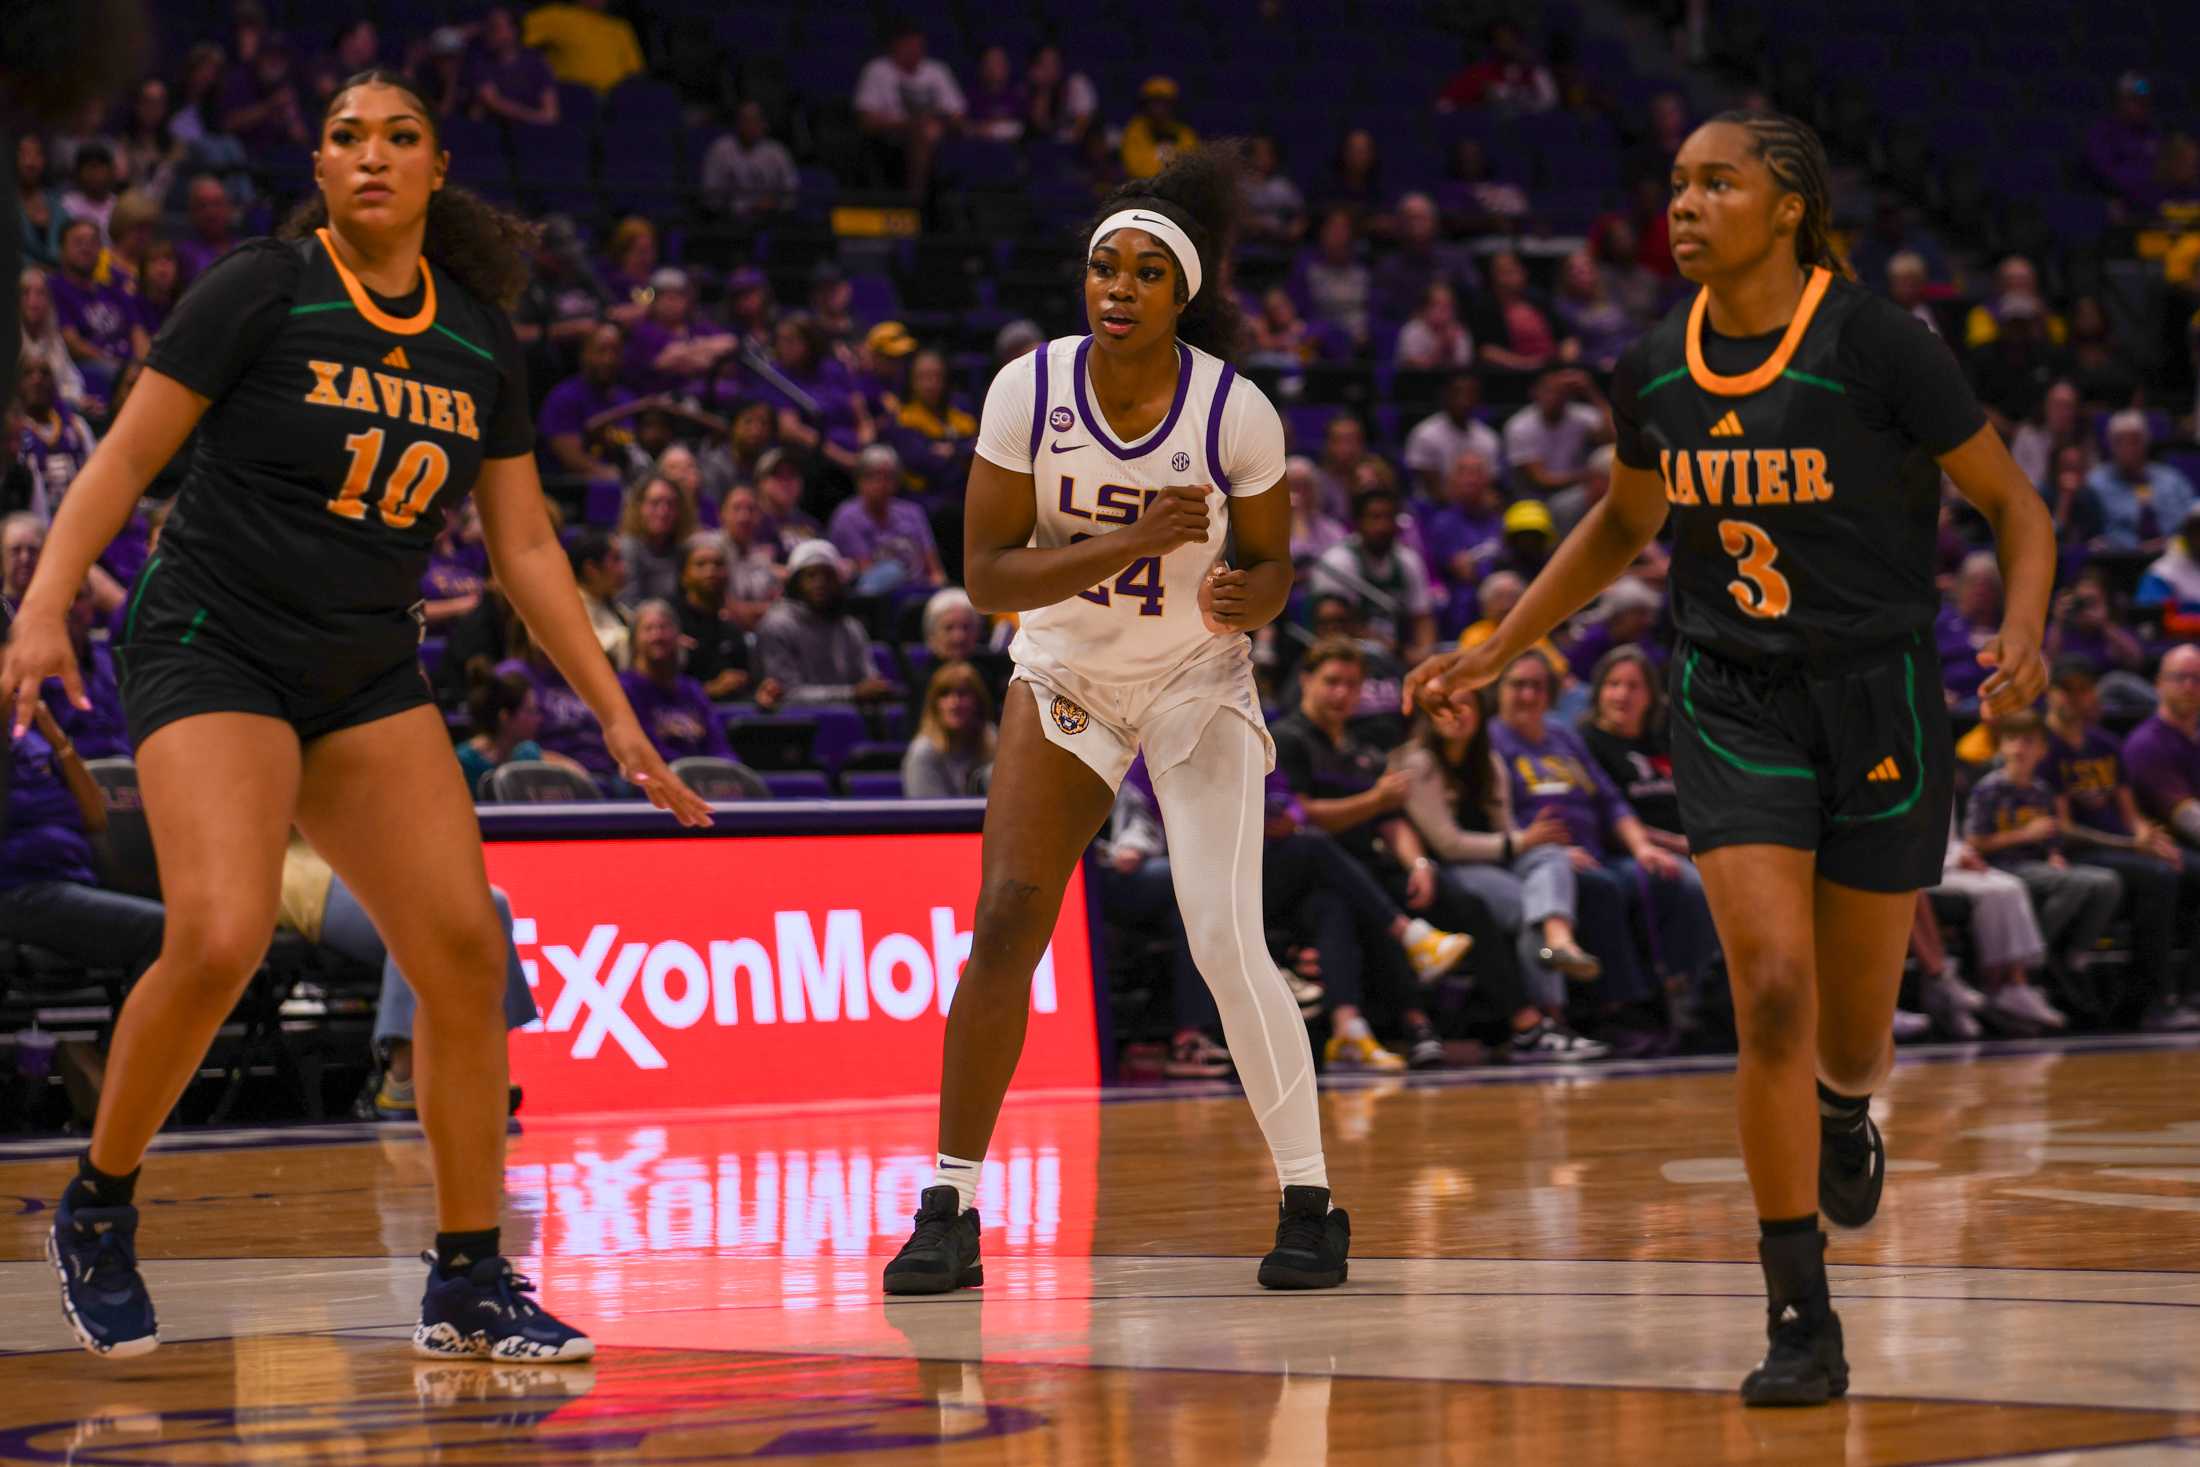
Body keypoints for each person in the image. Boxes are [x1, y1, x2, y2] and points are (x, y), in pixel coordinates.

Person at [0, 69, 709, 1364]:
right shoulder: (264, 285)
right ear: (320, 171)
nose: (370, 155)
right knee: (217, 933)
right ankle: (99, 1203)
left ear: (437, 171)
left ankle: (467, 1278)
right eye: (344, 138)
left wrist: (614, 714)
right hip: (214, 640)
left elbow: (530, 549)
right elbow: (121, 457)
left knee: (462, 953)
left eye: (399, 138)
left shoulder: (481, 339)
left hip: (364, 668)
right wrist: (43, 607)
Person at [1404, 110, 2055, 1405]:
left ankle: (1844, 1108)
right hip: (1732, 696)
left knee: (1855, 1032)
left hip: (1879, 698)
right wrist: (1494, 642)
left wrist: (2024, 630)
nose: (1686, 205)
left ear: (1792, 208)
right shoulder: (1652, 367)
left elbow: (2015, 506)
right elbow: (1622, 520)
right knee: (1768, 986)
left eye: (1719, 183)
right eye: (1679, 185)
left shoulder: (1879, 347)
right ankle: (1800, 1310)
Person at [888, 146, 1357, 1300]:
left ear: (1181, 293)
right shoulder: (1026, 389)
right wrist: (1130, 543)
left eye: (1148, 271)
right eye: (1106, 265)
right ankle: (949, 1203)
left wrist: (1260, 594)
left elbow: (1271, 565)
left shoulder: (1234, 410)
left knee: (1220, 935)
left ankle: (1309, 1199)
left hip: (1195, 676)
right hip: (1066, 675)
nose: (1120, 286)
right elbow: (989, 579)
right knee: (1004, 919)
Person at [1391, 693, 1612, 1059]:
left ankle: (1559, 942)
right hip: (1445, 870)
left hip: (1493, 864)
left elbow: (1505, 828)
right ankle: (1548, 1021)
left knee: (1553, 856)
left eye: (1466, 705)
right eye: (1446, 705)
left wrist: (1534, 845)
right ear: (1430, 715)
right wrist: (1522, 841)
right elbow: (1448, 845)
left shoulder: (1489, 762)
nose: (1456, 713)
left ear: (1481, 714)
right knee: (1532, 906)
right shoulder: (1418, 763)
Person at [2041, 656, 2192, 1029]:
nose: (2079, 698)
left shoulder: (2104, 743)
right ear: (2051, 696)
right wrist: (2131, 847)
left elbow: (2130, 814)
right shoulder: (2046, 748)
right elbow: (2063, 828)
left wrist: (2149, 838)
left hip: (2121, 848)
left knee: (2181, 866)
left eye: (2086, 689)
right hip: (2080, 851)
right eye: (2070, 690)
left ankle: (2188, 991)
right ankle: (2151, 999)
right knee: (2159, 877)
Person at [1963, 713, 2116, 1030]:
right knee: (2074, 886)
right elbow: (1974, 843)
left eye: (2028, 741)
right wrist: (2023, 835)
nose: (2020, 748)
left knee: (2107, 882)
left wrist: (2055, 855)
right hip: (2002, 867)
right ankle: (2035, 961)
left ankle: (2076, 955)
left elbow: (2051, 840)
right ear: (2001, 747)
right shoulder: (1989, 789)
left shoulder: (2041, 790)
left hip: (2039, 868)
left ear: (2042, 751)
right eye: (2013, 740)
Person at [754, 538, 890, 705]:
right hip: (798, 723)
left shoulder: (851, 627)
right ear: (796, 583)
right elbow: (786, 692)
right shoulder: (777, 625)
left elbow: (868, 679)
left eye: (827, 575)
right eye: (811, 575)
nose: (820, 583)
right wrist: (852, 694)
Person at [1308, 486, 1435, 664]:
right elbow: (1333, 625)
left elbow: (1422, 617)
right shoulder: (1337, 561)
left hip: (1395, 657)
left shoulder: (1408, 560)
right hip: (1346, 654)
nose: (1383, 526)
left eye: (1388, 517)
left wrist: (1424, 654)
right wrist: (1386, 646)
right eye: (1375, 517)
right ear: (1358, 522)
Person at [853, 22, 965, 195]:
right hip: (892, 138)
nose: (915, 50)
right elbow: (866, 121)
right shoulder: (877, 71)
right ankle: (916, 201)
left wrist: (938, 123)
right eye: (909, 45)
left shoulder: (937, 70)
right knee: (922, 134)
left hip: (938, 133)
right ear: (895, 46)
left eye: (918, 45)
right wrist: (910, 124)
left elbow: (957, 114)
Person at [619, 599, 731, 763]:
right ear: (634, 640)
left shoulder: (691, 689)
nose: (657, 636)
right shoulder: (625, 688)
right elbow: (644, 748)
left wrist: (729, 768)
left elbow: (718, 744)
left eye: (664, 627)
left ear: (678, 636)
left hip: (702, 780)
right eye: (648, 629)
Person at [828, 443, 945, 594]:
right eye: (875, 476)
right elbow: (867, 573)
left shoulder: (912, 512)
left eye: (889, 476)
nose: (883, 483)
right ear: (860, 480)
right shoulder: (847, 517)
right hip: (878, 596)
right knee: (892, 571)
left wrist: (937, 586)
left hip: (919, 591)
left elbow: (935, 570)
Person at [2085, 409, 2194, 556]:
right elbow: (2091, 534)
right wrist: (2136, 547)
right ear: (2110, 444)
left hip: (2172, 558)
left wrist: (2171, 543)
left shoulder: (2172, 480)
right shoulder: (2096, 483)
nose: (2128, 447)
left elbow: (2192, 521)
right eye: (2120, 441)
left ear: (2146, 440)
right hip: (2119, 561)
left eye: (2135, 440)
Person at [1502, 368, 1609, 499]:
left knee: (1606, 456)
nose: (1554, 396)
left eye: (1560, 392)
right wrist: (1586, 476)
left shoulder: (1581, 415)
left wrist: (1591, 392)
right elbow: (1541, 480)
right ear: (1535, 392)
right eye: (1548, 390)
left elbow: (1613, 436)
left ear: (1569, 395)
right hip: (1535, 496)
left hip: (1578, 490)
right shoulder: (1520, 426)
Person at [14, 354, 98, 517]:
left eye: (45, 373)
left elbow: (96, 473)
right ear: (18, 385)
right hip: (30, 522)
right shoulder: (12, 432)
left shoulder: (77, 426)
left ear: (54, 383)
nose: (37, 379)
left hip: (78, 514)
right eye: (28, 373)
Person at [903, 659, 996, 797]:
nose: (954, 703)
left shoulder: (993, 740)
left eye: (963, 694)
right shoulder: (923, 753)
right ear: (934, 705)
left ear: (978, 702)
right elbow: (931, 816)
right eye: (945, 695)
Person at [1403, 373, 1500, 500]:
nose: (1463, 400)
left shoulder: (1488, 438)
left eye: (1470, 394)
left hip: (1477, 507)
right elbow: (1433, 489)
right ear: (1445, 396)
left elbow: (1489, 484)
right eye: (1457, 393)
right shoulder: (1425, 434)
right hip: (1434, 507)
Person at [701, 100, 798, 219]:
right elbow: (710, 192)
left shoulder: (777, 152)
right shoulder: (720, 149)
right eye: (745, 120)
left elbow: (791, 190)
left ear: (763, 124)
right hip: (729, 219)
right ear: (737, 123)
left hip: (769, 218)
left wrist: (776, 201)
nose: (749, 125)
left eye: (755, 120)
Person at [521, 0, 644, 93]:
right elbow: (510, 41)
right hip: (572, 100)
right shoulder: (555, 16)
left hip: (615, 104)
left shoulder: (620, 28)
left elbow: (634, 72)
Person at [467, 8, 557, 128]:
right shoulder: (481, 60)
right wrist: (533, 117)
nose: (489, 32)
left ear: (514, 31)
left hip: (533, 133)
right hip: (495, 130)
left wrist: (537, 119)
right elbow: (491, 101)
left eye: (495, 28)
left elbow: (550, 112)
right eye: (488, 27)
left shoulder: (536, 61)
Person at [616, 474, 692, 608]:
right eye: (655, 503)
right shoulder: (626, 549)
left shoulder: (683, 550)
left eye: (671, 504)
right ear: (639, 507)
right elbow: (627, 605)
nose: (663, 511)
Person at [1121, 76, 1197, 180]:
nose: (1159, 109)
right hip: (1143, 192)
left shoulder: (1184, 133)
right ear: (1144, 105)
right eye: (1154, 102)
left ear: (1173, 106)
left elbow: (1192, 169)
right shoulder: (1134, 130)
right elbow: (1135, 169)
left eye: (1165, 103)